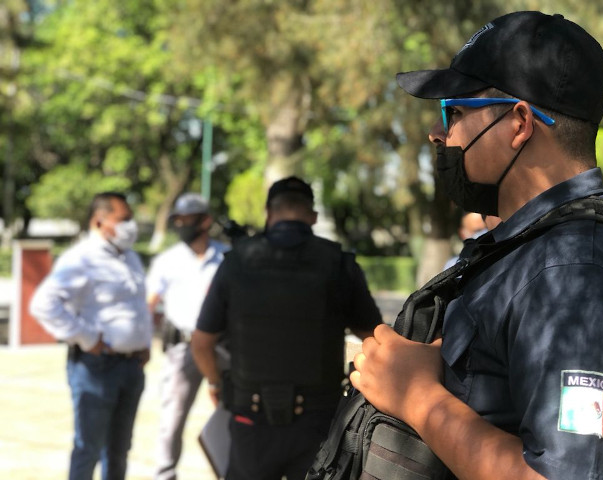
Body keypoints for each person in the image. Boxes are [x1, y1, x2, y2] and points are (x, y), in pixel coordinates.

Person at [350, 11, 603, 480]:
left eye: (454, 113)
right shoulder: (533, 248)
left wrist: (419, 397)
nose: (438, 134)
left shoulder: (576, 273)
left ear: (519, 123)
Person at [191, 176, 383, 480]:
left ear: (269, 213)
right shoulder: (339, 265)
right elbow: (375, 338)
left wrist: (216, 384)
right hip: (318, 422)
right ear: (313, 217)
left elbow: (201, 342)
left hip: (250, 419)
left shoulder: (235, 262)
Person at [30, 192, 151, 480]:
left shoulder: (130, 257)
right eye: (123, 219)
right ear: (99, 221)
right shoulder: (81, 258)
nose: (131, 226)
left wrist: (143, 344)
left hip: (131, 366)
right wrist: (87, 338)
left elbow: (135, 305)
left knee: (119, 450)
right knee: (89, 449)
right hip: (97, 367)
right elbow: (43, 304)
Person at [146, 193, 229, 480]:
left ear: (205, 221)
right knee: (172, 417)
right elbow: (148, 304)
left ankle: (233, 471)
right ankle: (165, 474)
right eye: (178, 220)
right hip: (183, 350)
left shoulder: (227, 257)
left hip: (223, 349)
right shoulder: (167, 261)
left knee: (234, 414)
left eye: (188, 219)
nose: (181, 225)